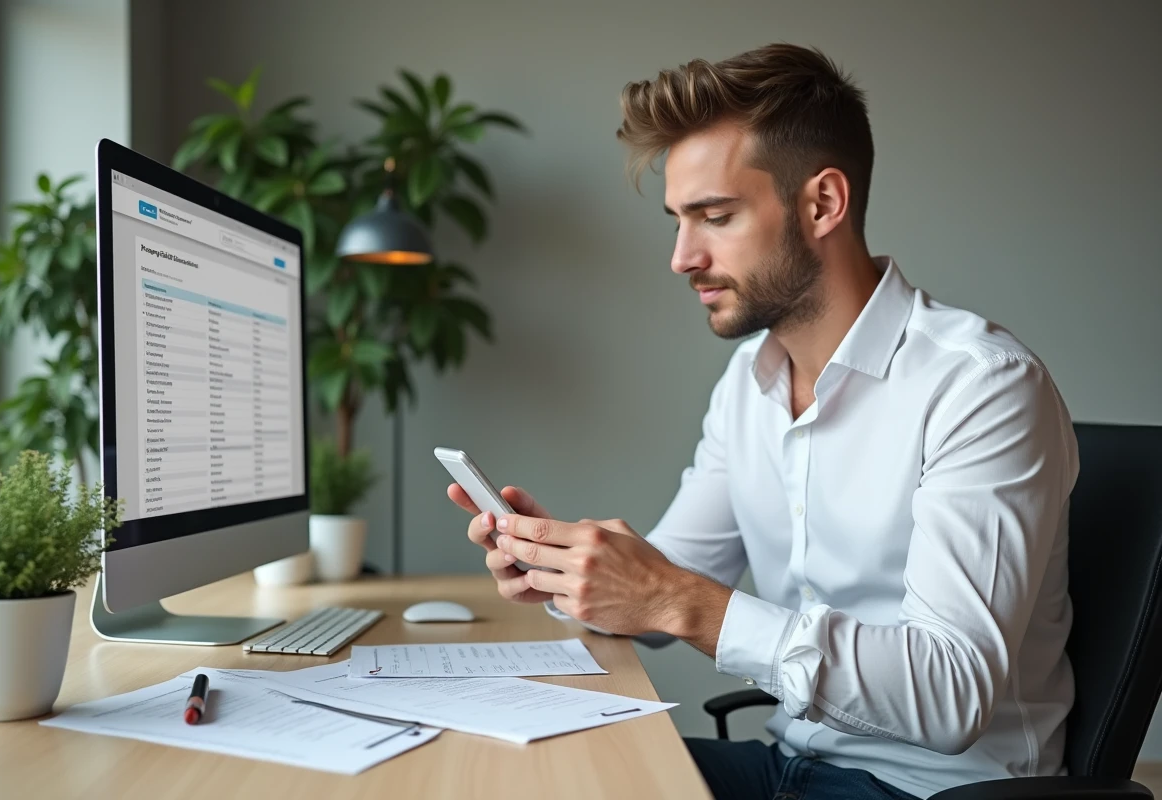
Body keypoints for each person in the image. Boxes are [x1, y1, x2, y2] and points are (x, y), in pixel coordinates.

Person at [446, 43, 1076, 800]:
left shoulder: (981, 388)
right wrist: (568, 571)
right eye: (680, 220)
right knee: (521, 775)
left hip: (929, 790)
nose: (682, 257)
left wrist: (674, 598)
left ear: (822, 204)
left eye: (714, 217)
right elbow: (669, 581)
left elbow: (951, 694)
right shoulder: (749, 384)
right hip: (790, 766)